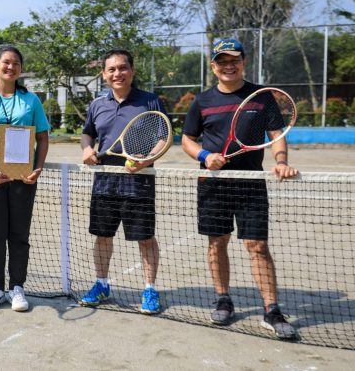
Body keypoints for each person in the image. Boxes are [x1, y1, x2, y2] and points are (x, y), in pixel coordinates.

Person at [181, 38, 299, 339]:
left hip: (251, 183)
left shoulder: (261, 97)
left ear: (243, 61)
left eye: (233, 59)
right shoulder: (202, 101)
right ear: (213, 66)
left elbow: (276, 134)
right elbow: (188, 139)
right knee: (217, 242)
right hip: (213, 184)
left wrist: (282, 161)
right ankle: (223, 299)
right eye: (222, 60)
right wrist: (205, 157)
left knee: (257, 246)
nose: (228, 65)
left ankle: (271, 309)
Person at [80, 49, 166, 314]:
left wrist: (147, 159)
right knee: (103, 236)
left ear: (132, 70)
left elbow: (164, 138)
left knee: (145, 238)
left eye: (122, 68)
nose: (117, 73)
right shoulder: (97, 104)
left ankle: (150, 290)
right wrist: (86, 149)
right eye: (112, 69)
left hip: (138, 181)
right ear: (104, 74)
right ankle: (102, 284)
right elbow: (87, 135)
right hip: (105, 181)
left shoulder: (150, 101)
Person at [0, 45, 50, 312]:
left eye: (16, 63)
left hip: (23, 179)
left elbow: (43, 137)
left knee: (19, 234)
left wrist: (38, 168)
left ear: (20, 69)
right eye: (5, 62)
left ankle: (17, 288)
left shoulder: (31, 101)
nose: (10, 67)